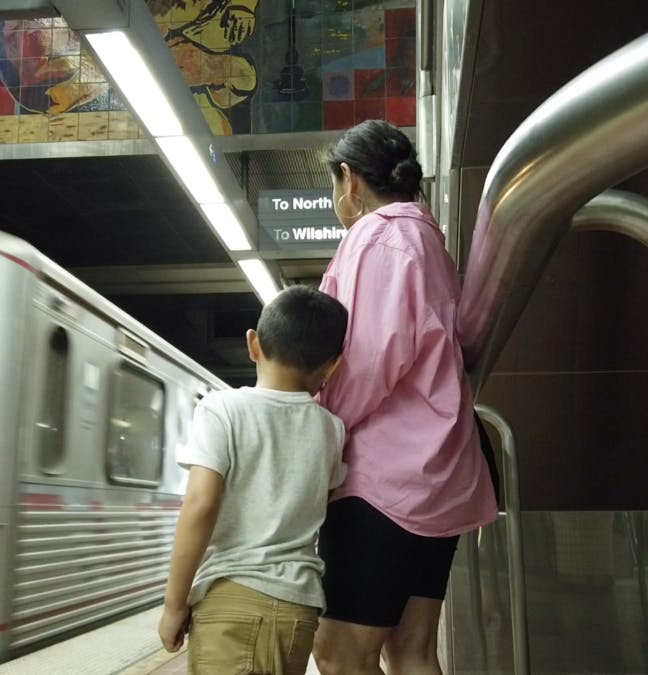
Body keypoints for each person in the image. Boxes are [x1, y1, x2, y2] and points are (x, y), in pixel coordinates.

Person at [312, 119, 499, 675]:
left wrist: (316, 438)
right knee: (410, 651)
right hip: (438, 475)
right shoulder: (427, 240)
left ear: (349, 180)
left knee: (342, 653)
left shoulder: (378, 236)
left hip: (383, 483)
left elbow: (368, 362)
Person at [157, 285, 350, 674]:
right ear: (333, 365)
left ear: (253, 344)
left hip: (232, 599)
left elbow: (200, 505)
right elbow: (324, 496)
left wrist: (174, 604)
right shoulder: (332, 429)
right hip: (299, 607)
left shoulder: (220, 410)